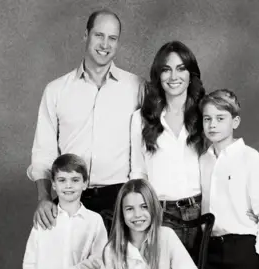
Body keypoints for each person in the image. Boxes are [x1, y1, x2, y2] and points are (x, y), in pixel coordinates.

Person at [27, 9, 144, 230]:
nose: (105, 44)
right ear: (86, 35)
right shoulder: (56, 90)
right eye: (99, 35)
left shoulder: (137, 88)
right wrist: (43, 198)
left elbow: (151, 144)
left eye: (113, 38)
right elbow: (43, 152)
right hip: (71, 197)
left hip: (120, 200)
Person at [129, 40, 206, 251]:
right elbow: (138, 172)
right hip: (160, 215)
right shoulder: (141, 119)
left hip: (202, 214)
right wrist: (140, 213)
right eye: (166, 70)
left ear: (191, 75)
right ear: (158, 75)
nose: (174, 77)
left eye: (181, 69)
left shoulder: (205, 115)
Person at [199, 89, 259, 269]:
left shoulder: (250, 158)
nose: (212, 125)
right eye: (207, 118)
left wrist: (258, 252)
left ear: (235, 122)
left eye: (220, 118)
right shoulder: (203, 160)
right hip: (209, 248)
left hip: (242, 248)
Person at [23, 153, 108, 269]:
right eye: (62, 180)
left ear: (85, 184)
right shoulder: (45, 218)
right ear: (53, 184)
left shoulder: (94, 221)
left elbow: (99, 259)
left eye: (75, 180)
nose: (68, 185)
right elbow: (30, 261)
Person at [102, 179, 197, 269]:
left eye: (144, 206)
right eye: (129, 209)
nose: (137, 215)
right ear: (121, 213)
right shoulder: (111, 249)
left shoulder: (167, 236)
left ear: (153, 208)